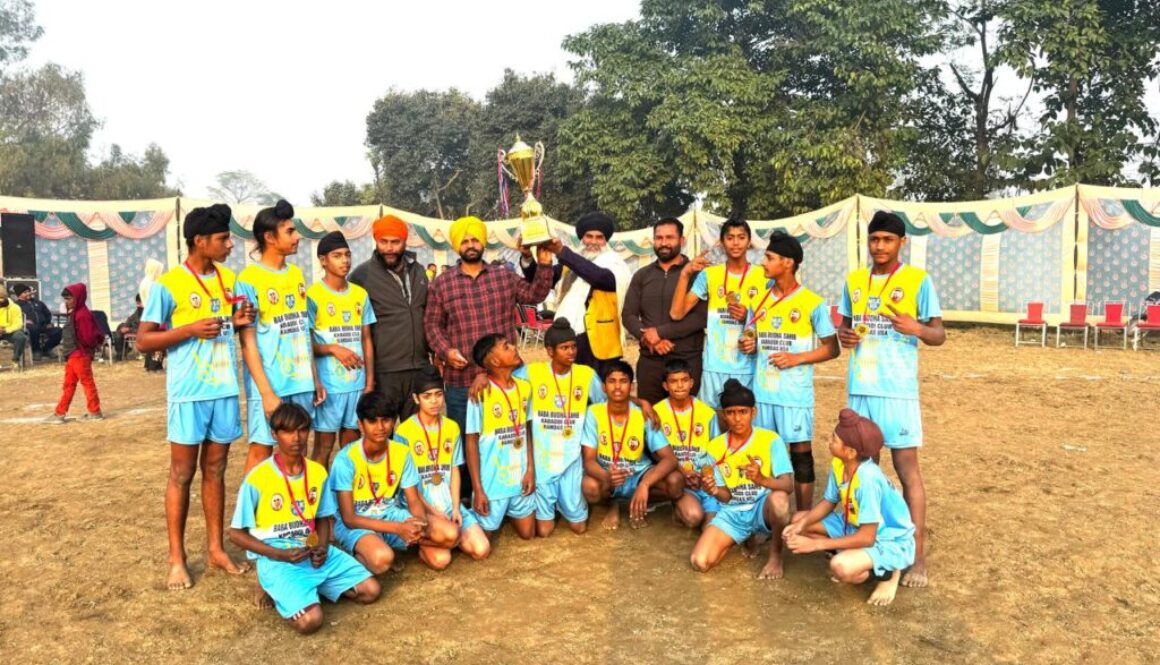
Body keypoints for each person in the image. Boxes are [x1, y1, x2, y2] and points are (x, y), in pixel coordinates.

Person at [137, 203, 256, 590]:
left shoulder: (229, 279)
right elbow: (143, 340)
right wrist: (188, 329)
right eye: (223, 239)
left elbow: (235, 322)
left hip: (223, 389)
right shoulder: (169, 285)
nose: (229, 245)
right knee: (182, 473)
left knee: (217, 471)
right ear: (199, 241)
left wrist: (240, 319)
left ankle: (216, 550)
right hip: (188, 393)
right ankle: (176, 559)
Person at [837, 210, 944, 588]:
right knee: (865, 471)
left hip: (896, 390)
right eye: (874, 239)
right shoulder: (854, 281)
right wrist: (845, 337)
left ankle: (916, 557)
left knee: (906, 469)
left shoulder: (917, 280)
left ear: (901, 243)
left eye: (887, 240)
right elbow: (845, 328)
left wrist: (916, 327)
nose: (879, 246)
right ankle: (874, 547)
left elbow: (938, 334)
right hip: (860, 388)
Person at [228, 403, 380, 634]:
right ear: (274, 434)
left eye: (301, 430)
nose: (296, 438)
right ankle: (276, 587)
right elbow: (236, 534)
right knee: (310, 621)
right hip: (278, 557)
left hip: (309, 550)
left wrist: (321, 546)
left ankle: (310, 588)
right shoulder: (257, 478)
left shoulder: (317, 472)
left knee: (371, 591)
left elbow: (321, 516)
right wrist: (278, 554)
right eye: (288, 431)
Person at [424, 215, 553, 481]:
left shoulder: (503, 276)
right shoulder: (442, 283)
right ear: (457, 246)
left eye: (475, 239)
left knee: (509, 432)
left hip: (505, 377)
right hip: (462, 378)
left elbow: (535, 295)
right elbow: (432, 326)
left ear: (482, 243)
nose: (470, 245)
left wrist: (542, 261)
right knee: (467, 436)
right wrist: (446, 351)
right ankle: (473, 494)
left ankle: (510, 486)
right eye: (465, 241)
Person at [742, 230, 839, 510]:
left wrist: (797, 358)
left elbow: (832, 348)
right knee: (763, 455)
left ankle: (803, 518)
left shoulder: (812, 303)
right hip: (762, 392)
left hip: (794, 395)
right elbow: (751, 335)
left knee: (800, 455)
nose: (763, 262)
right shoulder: (758, 299)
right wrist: (749, 342)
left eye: (769, 258)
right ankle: (765, 517)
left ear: (788, 263)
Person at [783, 409, 915, 606]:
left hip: (886, 538)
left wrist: (815, 545)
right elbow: (829, 501)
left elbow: (867, 537)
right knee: (796, 520)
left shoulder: (867, 480)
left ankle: (889, 572)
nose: (829, 441)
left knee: (841, 566)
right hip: (854, 524)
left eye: (834, 439)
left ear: (851, 452)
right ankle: (855, 556)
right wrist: (800, 526)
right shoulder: (840, 464)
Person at [236, 200, 325, 475]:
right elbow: (248, 342)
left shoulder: (297, 274)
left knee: (299, 445)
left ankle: (296, 511)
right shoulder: (248, 279)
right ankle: (252, 516)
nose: (297, 237)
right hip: (272, 383)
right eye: (289, 231)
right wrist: (266, 393)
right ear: (269, 237)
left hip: (301, 381)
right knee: (262, 449)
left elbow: (301, 328)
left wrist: (315, 377)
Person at [331, 391, 460, 572]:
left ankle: (396, 544)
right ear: (360, 424)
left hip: (390, 514)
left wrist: (419, 524)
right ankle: (361, 552)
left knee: (452, 534)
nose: (380, 427)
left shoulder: (401, 452)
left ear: (393, 422)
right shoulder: (345, 459)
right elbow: (349, 518)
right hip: (359, 524)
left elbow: (413, 500)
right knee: (382, 559)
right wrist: (398, 528)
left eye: (386, 420)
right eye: (372, 421)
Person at [688, 379, 793, 577]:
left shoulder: (771, 440)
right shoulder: (715, 447)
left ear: (753, 412)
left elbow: (787, 485)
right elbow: (726, 497)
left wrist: (762, 479)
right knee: (699, 562)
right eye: (731, 412)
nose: (737, 419)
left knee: (779, 500)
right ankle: (743, 536)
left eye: (743, 412)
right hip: (733, 511)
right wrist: (713, 490)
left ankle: (776, 556)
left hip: (763, 507)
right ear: (724, 415)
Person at [516, 319, 605, 537]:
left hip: (572, 460)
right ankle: (551, 505)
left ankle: (569, 503)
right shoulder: (532, 373)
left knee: (579, 528)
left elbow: (606, 402)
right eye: (565, 348)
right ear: (550, 351)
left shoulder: (586, 375)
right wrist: (482, 376)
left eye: (574, 346)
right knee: (544, 532)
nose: (571, 352)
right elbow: (504, 382)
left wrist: (640, 402)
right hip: (543, 462)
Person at [394, 367, 491, 561]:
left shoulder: (451, 427)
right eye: (427, 396)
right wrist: (433, 512)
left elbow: (454, 469)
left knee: (481, 550)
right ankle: (426, 541)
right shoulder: (403, 433)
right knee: (441, 560)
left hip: (447, 502)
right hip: (422, 505)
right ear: (416, 399)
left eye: (438, 394)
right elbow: (408, 486)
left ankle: (448, 536)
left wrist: (455, 508)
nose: (434, 401)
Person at [670, 217, 766, 409]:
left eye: (741, 237)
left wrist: (748, 315)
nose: (736, 242)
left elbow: (772, 316)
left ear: (749, 242)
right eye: (730, 237)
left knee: (743, 421)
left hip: (748, 364)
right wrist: (685, 274)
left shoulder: (763, 276)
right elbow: (676, 314)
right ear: (722, 242)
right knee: (714, 424)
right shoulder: (709, 274)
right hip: (715, 365)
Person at [526, 212, 632, 374]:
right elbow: (541, 280)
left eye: (599, 237)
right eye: (589, 236)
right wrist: (528, 257)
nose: (593, 242)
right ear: (582, 239)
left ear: (606, 241)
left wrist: (562, 252)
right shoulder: (571, 264)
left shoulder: (614, 263)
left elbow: (599, 277)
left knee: (595, 392)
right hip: (568, 337)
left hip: (597, 342)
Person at [349, 215, 431, 421]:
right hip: (384, 371)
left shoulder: (419, 271)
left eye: (395, 242)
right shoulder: (361, 275)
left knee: (414, 433)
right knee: (382, 433)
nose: (389, 248)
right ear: (375, 241)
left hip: (418, 368)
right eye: (383, 241)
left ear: (405, 241)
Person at [581, 360, 678, 530]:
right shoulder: (594, 413)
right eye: (612, 381)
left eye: (623, 381)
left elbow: (670, 459)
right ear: (603, 386)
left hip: (638, 473)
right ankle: (612, 503)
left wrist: (645, 484)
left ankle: (639, 498)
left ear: (631, 386)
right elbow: (588, 460)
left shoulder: (643, 414)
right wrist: (606, 476)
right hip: (608, 473)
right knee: (588, 486)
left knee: (676, 481)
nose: (617, 387)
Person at [621, 218, 708, 403]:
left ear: (682, 241)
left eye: (670, 237)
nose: (664, 243)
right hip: (650, 360)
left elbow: (700, 318)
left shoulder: (697, 273)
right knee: (651, 418)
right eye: (659, 238)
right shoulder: (642, 275)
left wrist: (659, 333)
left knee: (685, 421)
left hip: (687, 360)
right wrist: (648, 338)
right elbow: (628, 315)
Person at [307, 231, 375, 466]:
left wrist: (370, 382)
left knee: (352, 445)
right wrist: (333, 349)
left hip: (357, 384)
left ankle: (349, 499)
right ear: (323, 260)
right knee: (323, 447)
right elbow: (305, 345)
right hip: (329, 387)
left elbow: (366, 338)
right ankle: (322, 500)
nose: (345, 260)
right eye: (337, 256)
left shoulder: (360, 294)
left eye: (347, 255)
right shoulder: (312, 295)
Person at [465, 333, 537, 539]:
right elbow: (471, 441)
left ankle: (511, 508)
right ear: (495, 360)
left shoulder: (524, 387)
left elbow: (527, 430)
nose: (514, 348)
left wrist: (530, 469)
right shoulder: (480, 393)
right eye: (506, 347)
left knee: (528, 534)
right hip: (492, 485)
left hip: (520, 479)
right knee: (482, 543)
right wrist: (478, 489)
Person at [652, 359, 720, 529]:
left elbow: (716, 452)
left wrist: (704, 476)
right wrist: (683, 474)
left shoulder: (707, 413)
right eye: (674, 381)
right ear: (665, 386)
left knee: (711, 526)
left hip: (703, 479)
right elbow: (655, 454)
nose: (680, 385)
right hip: (676, 477)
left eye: (684, 380)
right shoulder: (657, 413)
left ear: (691, 383)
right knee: (693, 518)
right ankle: (677, 504)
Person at [47, 283, 104, 422]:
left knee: (86, 383)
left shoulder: (82, 315)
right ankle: (60, 412)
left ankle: (95, 411)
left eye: (69, 298)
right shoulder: (76, 313)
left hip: (79, 354)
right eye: (65, 299)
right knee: (69, 384)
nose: (67, 302)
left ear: (78, 297)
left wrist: (88, 349)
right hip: (74, 354)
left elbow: (88, 337)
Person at [11, 283, 59, 357]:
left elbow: (47, 313)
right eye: (25, 292)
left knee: (59, 331)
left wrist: (48, 323)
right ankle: (36, 351)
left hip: (43, 326)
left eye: (28, 291)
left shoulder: (38, 303)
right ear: (19, 295)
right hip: (28, 327)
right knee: (33, 328)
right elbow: (14, 317)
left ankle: (47, 348)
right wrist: (24, 321)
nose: (28, 293)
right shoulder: (16, 305)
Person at [111, 294, 144, 361]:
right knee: (121, 326)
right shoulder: (139, 310)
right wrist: (126, 325)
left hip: (139, 330)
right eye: (137, 303)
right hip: (133, 327)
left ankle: (120, 354)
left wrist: (129, 329)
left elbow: (143, 328)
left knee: (119, 331)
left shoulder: (147, 311)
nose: (138, 305)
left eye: (139, 303)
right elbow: (131, 318)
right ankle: (124, 349)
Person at [0, 284, 26, 366]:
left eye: (1, 298)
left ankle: (15, 360)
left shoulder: (15, 307)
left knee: (20, 337)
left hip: (10, 331)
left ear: (5, 297)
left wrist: (5, 330)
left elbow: (18, 324)